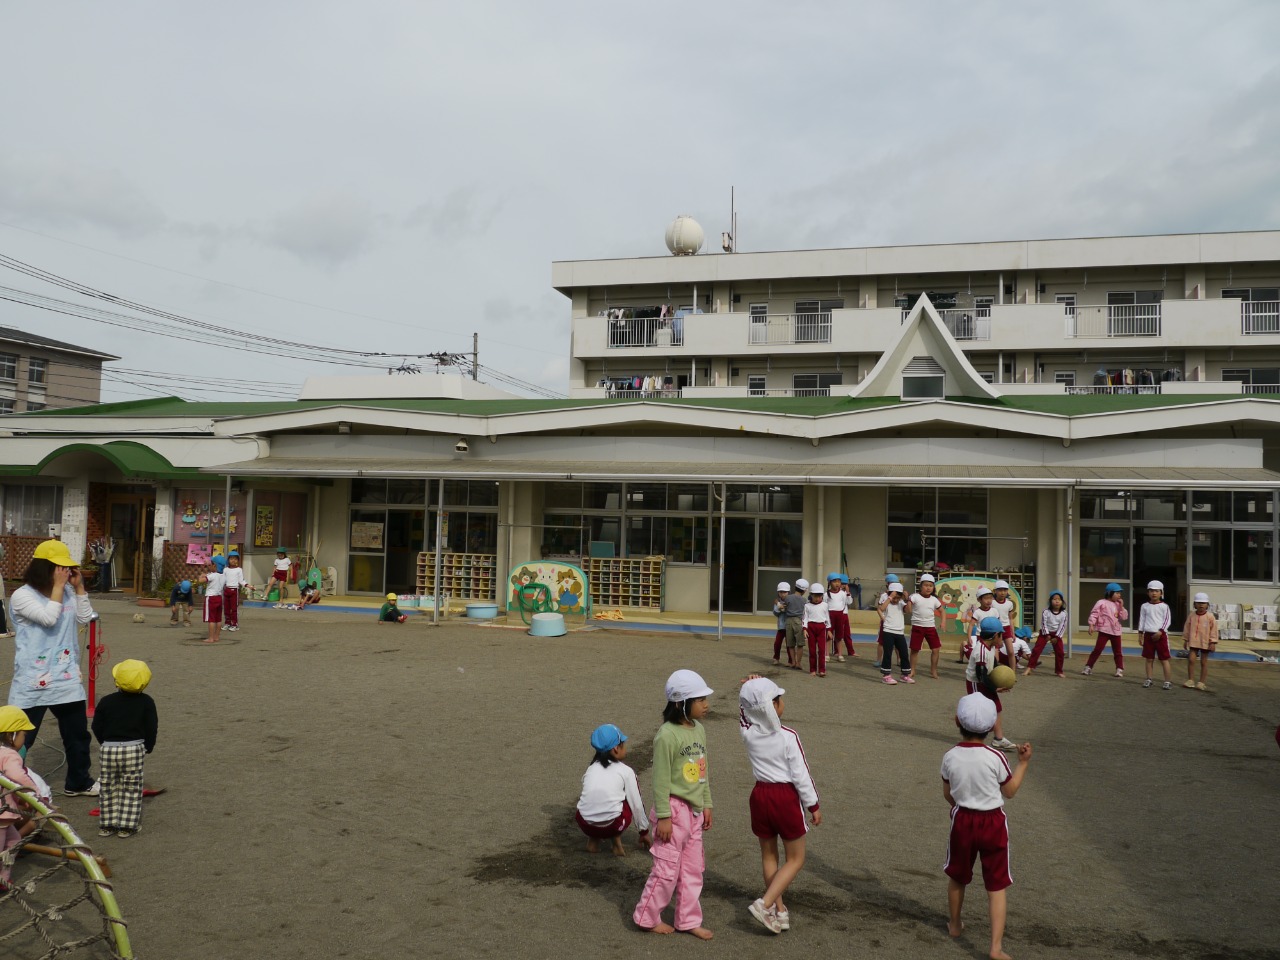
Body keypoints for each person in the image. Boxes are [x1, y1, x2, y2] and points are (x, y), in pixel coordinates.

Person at [941, 692, 1032, 960]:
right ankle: (995, 948)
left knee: (957, 876)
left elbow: (948, 794)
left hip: (962, 820)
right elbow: (1011, 790)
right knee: (996, 884)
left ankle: (955, 925)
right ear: (993, 726)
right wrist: (1023, 763)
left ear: (957, 720)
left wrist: (959, 804)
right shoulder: (995, 757)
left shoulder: (950, 756)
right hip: (992, 821)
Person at [8, 539, 98, 796]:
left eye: (69, 568)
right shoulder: (22, 596)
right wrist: (59, 587)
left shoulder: (68, 590)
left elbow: (84, 617)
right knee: (19, 738)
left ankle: (79, 782)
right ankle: (10, 784)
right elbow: (49, 619)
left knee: (78, 736)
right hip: (32, 681)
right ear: (44, 568)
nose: (67, 572)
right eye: (61, 568)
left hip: (66, 678)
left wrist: (79, 588)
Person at [633, 669, 714, 940]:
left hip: (694, 813)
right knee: (666, 870)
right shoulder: (666, 735)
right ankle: (646, 916)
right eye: (700, 700)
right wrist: (664, 816)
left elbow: (702, 771)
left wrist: (707, 803)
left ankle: (688, 919)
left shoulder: (699, 730)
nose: (706, 705)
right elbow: (660, 779)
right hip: (674, 812)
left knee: (693, 870)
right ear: (681, 703)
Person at [739, 677, 820, 935]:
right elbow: (801, 775)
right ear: (773, 706)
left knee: (769, 856)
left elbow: (743, 713)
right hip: (785, 797)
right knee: (796, 859)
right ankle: (765, 904)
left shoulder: (749, 734)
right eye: (779, 699)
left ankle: (779, 911)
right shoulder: (788, 736)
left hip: (759, 796)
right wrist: (813, 804)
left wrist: (750, 690)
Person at [90, 660, 158, 839]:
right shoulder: (147, 702)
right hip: (134, 747)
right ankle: (127, 826)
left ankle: (107, 825)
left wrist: (104, 741)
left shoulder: (106, 701)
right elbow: (152, 727)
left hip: (109, 748)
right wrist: (148, 746)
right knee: (132, 787)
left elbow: (97, 725)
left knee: (108, 785)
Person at [575, 723, 650, 856]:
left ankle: (593, 842)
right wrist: (643, 832)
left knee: (596, 798)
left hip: (585, 825)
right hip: (612, 826)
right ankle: (616, 843)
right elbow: (637, 805)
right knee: (626, 799)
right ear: (616, 748)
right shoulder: (626, 771)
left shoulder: (591, 769)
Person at [0, 705, 43, 890]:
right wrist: (34, 793)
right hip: (2, 815)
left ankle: (3, 878)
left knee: (14, 841)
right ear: (12, 735)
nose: (25, 740)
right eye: (24, 735)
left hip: (5, 816)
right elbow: (16, 776)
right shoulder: (10, 755)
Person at [966, 616, 1017, 751]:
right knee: (980, 710)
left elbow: (994, 665)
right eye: (1001, 635)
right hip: (977, 683)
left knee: (996, 707)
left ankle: (998, 739)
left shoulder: (990, 647)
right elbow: (980, 675)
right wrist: (995, 687)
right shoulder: (981, 651)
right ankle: (974, 739)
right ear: (995, 635)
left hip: (985, 681)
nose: (1002, 638)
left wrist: (1006, 677)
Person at [1084, 583, 1128, 677]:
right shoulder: (1101, 602)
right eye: (1117, 593)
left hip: (1116, 631)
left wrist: (1121, 607)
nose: (1119, 595)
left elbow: (1124, 617)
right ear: (1109, 593)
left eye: (1120, 593)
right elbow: (1094, 613)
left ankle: (1119, 669)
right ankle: (1088, 667)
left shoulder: (1118, 605)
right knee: (1097, 650)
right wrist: (1091, 624)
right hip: (1104, 630)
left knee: (1118, 652)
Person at [1137, 580, 1173, 690]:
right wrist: (1140, 633)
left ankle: (1167, 681)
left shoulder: (1164, 606)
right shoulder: (1144, 606)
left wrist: (1161, 631)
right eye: (1151, 591)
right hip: (1148, 635)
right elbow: (1142, 620)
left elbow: (1167, 620)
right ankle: (1149, 679)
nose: (1154, 593)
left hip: (1161, 636)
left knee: (1164, 659)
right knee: (1149, 659)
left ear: (1161, 593)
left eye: (1156, 591)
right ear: (1148, 592)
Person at [908, 573, 944, 680]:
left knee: (936, 649)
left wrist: (943, 622)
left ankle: (933, 670)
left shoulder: (934, 599)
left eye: (931, 586)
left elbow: (942, 611)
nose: (928, 588)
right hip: (917, 627)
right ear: (921, 586)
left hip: (930, 627)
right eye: (926, 585)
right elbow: (909, 606)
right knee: (915, 650)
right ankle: (912, 670)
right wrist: (909, 604)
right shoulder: (915, 596)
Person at [1024, 590, 1068, 678]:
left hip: (1056, 634)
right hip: (1045, 633)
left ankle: (1059, 671)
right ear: (1050, 601)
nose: (1057, 601)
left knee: (1060, 652)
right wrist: (1047, 634)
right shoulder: (1046, 611)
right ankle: (1030, 667)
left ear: (1062, 602)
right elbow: (1043, 623)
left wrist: (1057, 637)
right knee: (1037, 649)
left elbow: (1063, 626)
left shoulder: (1064, 613)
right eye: (1054, 599)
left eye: (1059, 599)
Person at [1182, 592, 1218, 691]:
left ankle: (1201, 682)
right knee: (1191, 660)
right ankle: (1190, 680)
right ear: (1194, 604)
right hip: (1194, 641)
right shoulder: (1191, 615)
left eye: (1203, 603)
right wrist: (1185, 639)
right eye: (1198, 603)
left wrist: (1213, 642)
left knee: (1204, 662)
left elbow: (1214, 630)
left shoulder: (1210, 617)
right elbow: (1187, 627)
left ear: (1207, 605)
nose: (1201, 605)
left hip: (1205, 642)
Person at [878, 582, 912, 684]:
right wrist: (890, 597)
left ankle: (904, 675)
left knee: (904, 653)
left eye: (898, 597)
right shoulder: (887, 601)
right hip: (888, 631)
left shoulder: (901, 603)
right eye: (894, 597)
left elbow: (909, 611)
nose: (896, 600)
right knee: (888, 653)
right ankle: (886, 675)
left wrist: (907, 599)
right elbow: (881, 609)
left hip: (899, 632)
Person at [961, 587, 998, 663]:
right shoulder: (977, 612)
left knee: (994, 656)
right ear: (979, 600)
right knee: (982, 655)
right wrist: (969, 638)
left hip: (993, 636)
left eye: (990, 598)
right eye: (986, 598)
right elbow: (971, 625)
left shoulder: (994, 611)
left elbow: (998, 625)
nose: (989, 601)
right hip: (981, 637)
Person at [803, 582, 830, 677]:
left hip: (822, 628)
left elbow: (827, 618)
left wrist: (829, 630)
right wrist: (805, 629)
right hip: (811, 628)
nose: (817, 598)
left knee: (822, 650)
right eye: (815, 596)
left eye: (819, 596)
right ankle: (812, 669)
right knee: (812, 650)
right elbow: (805, 618)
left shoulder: (825, 605)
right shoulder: (807, 606)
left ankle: (822, 670)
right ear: (811, 595)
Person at [198, 555, 226, 644]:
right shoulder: (223, 576)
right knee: (218, 619)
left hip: (210, 598)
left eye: (211, 564)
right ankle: (216, 636)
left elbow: (201, 581)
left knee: (211, 619)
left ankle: (210, 638)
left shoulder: (212, 575)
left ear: (215, 566)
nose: (210, 566)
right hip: (219, 598)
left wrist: (201, 576)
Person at [826, 575, 853, 662]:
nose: (837, 584)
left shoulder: (842, 593)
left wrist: (848, 593)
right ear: (830, 583)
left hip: (840, 615)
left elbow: (848, 602)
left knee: (839, 636)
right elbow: (823, 606)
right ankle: (826, 654)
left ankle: (840, 654)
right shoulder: (826, 594)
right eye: (834, 581)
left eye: (838, 581)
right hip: (829, 615)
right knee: (828, 636)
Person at [781, 580, 807, 670]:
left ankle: (792, 662)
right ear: (804, 590)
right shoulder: (804, 600)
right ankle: (798, 663)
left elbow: (782, 608)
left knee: (790, 644)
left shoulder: (788, 598)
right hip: (799, 621)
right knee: (800, 644)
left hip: (788, 621)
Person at [990, 580, 1017, 662]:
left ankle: (1012, 671)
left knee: (1011, 652)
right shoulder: (992, 603)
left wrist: (1013, 633)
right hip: (996, 629)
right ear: (995, 591)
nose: (1002, 593)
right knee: (996, 652)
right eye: (1000, 590)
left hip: (1007, 628)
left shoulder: (1009, 604)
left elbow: (1010, 618)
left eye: (1005, 590)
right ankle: (995, 671)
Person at [222, 551, 246, 633]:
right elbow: (223, 581)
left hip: (234, 591)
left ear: (238, 560)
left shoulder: (239, 570)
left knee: (234, 609)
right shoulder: (225, 570)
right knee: (226, 608)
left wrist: (247, 585)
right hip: (226, 590)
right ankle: (227, 623)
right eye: (231, 559)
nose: (233, 561)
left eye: (235, 559)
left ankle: (234, 624)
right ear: (228, 560)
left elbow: (241, 580)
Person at [770, 582, 790, 666]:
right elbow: (775, 613)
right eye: (781, 592)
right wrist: (779, 607)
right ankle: (776, 658)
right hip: (781, 627)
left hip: (789, 627)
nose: (783, 594)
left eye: (784, 592)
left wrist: (783, 608)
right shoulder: (777, 602)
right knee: (777, 643)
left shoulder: (790, 601)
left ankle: (791, 660)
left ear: (788, 592)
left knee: (789, 645)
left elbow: (791, 611)